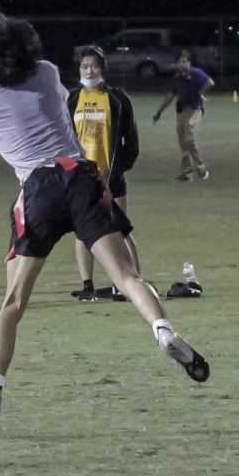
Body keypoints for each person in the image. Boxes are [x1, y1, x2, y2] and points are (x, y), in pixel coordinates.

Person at [0, 9, 208, 431]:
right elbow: (19, 74)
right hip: (81, 176)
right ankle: (162, 329)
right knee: (127, 276)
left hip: (38, 190)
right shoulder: (46, 73)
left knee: (12, 304)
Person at [66, 45, 140, 300]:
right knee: (82, 232)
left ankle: (131, 284)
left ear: (102, 68)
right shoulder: (72, 99)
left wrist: (116, 172)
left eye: (94, 66)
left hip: (111, 178)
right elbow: (64, 138)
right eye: (84, 66)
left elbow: (131, 142)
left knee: (120, 231)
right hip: (81, 178)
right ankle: (87, 285)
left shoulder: (117, 98)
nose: (89, 70)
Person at [150, 48, 214, 181]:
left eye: (185, 61)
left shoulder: (196, 73)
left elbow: (210, 82)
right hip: (181, 111)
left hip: (195, 109)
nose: (183, 64)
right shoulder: (177, 79)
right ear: (176, 64)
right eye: (180, 62)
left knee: (189, 135)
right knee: (183, 143)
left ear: (189, 63)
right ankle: (187, 172)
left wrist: (201, 94)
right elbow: (169, 97)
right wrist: (158, 113)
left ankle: (201, 167)